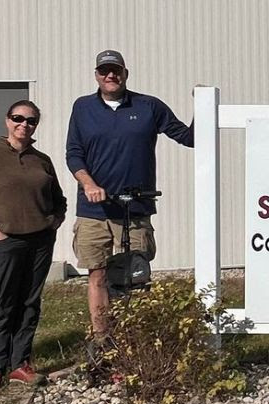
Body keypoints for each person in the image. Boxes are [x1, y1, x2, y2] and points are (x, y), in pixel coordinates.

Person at [65, 50, 193, 336]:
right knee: (97, 275)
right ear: (96, 75)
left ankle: (135, 339)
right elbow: (74, 153)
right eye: (104, 71)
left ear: (125, 72)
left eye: (116, 70)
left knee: (136, 276)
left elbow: (188, 137)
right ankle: (103, 339)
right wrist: (88, 184)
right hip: (94, 211)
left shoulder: (149, 106)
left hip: (134, 209)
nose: (110, 76)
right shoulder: (83, 107)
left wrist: (203, 107)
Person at [0, 100, 66, 395]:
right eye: (18, 118)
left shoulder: (42, 160)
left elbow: (59, 199)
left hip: (39, 243)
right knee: (2, 305)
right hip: (4, 244)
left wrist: (53, 222)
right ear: (7, 120)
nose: (24, 124)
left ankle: (21, 364)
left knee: (29, 304)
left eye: (31, 120)